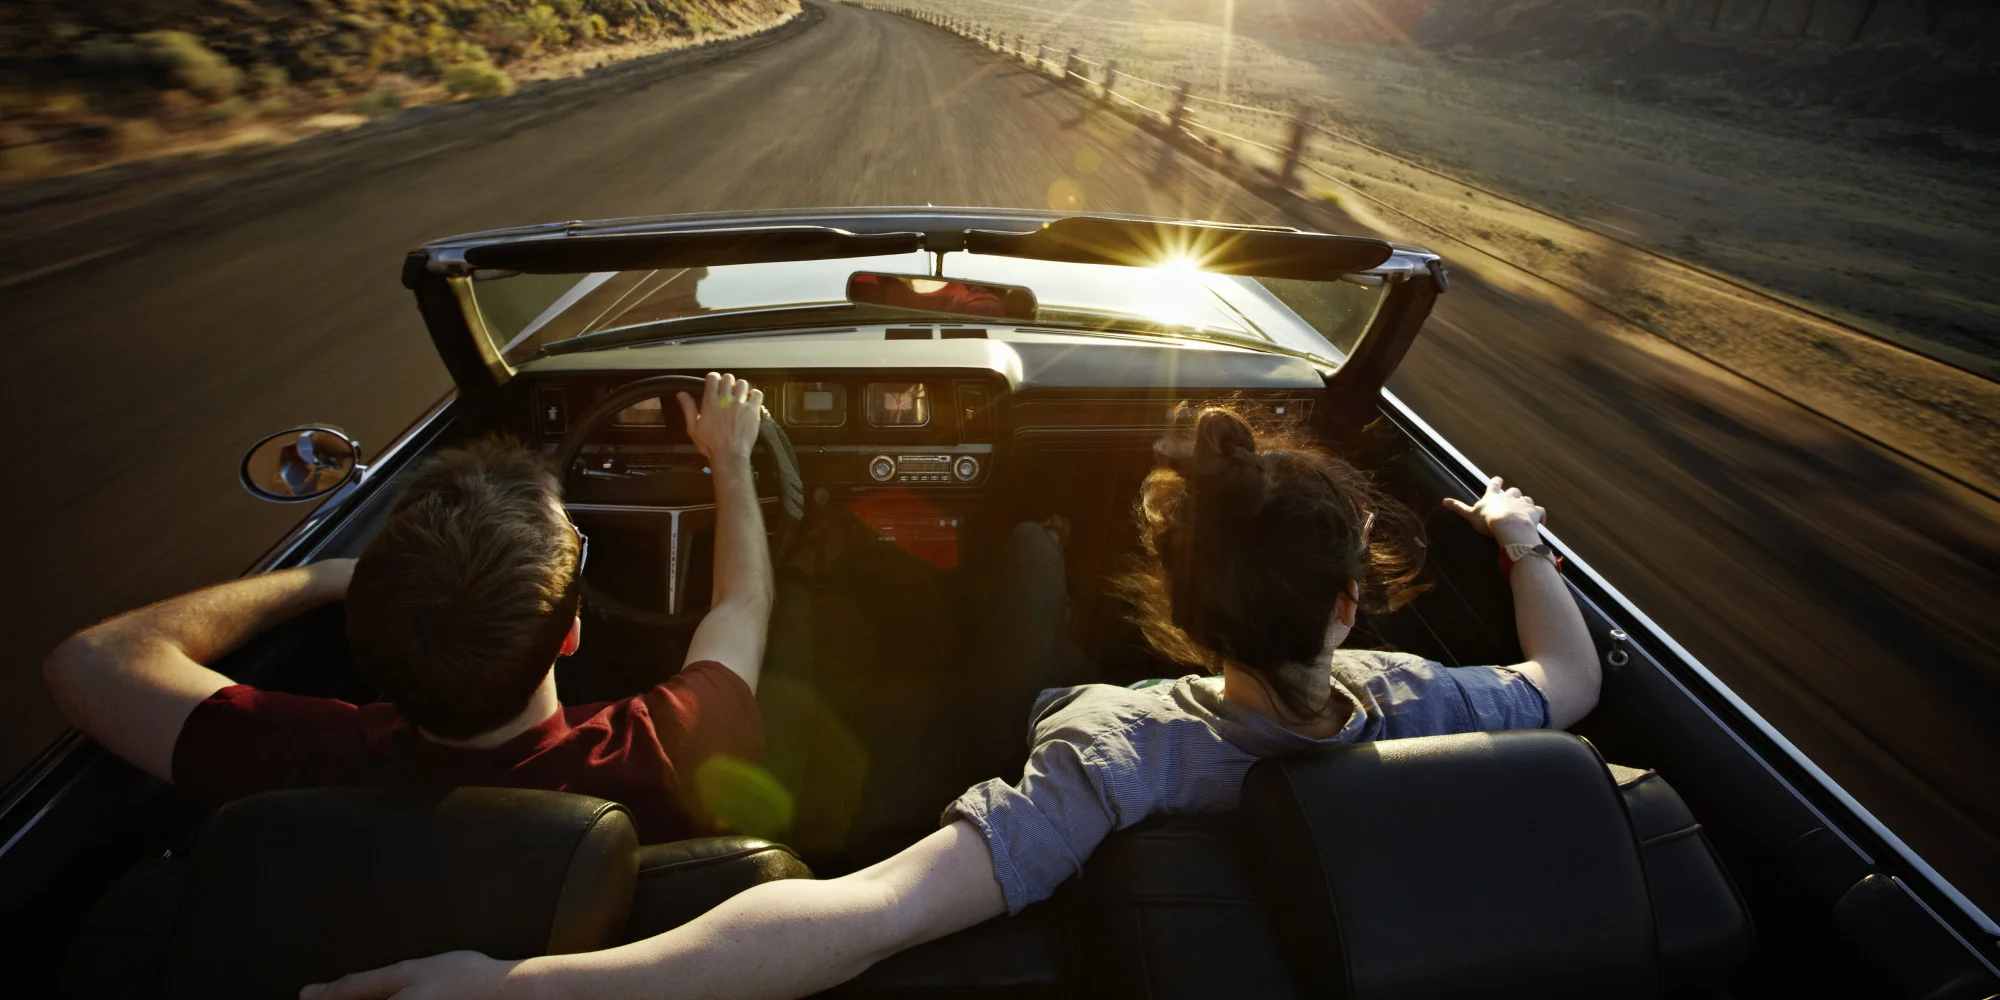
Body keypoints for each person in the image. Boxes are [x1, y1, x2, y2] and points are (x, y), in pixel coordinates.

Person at [304, 405, 1602, 1000]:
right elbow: (1571, 682)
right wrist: (1524, 544)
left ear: (1176, 606)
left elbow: (860, 911)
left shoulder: (1113, 747)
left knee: (1025, 553)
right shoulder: (1427, 699)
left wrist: (524, 989)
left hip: (1060, 775)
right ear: (1348, 604)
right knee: (1026, 541)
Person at [43, 372, 775, 844]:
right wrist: (730, 459)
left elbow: (89, 661)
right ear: (572, 634)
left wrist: (325, 577)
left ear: (368, 636)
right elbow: (742, 603)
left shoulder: (306, 761)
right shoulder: (666, 748)